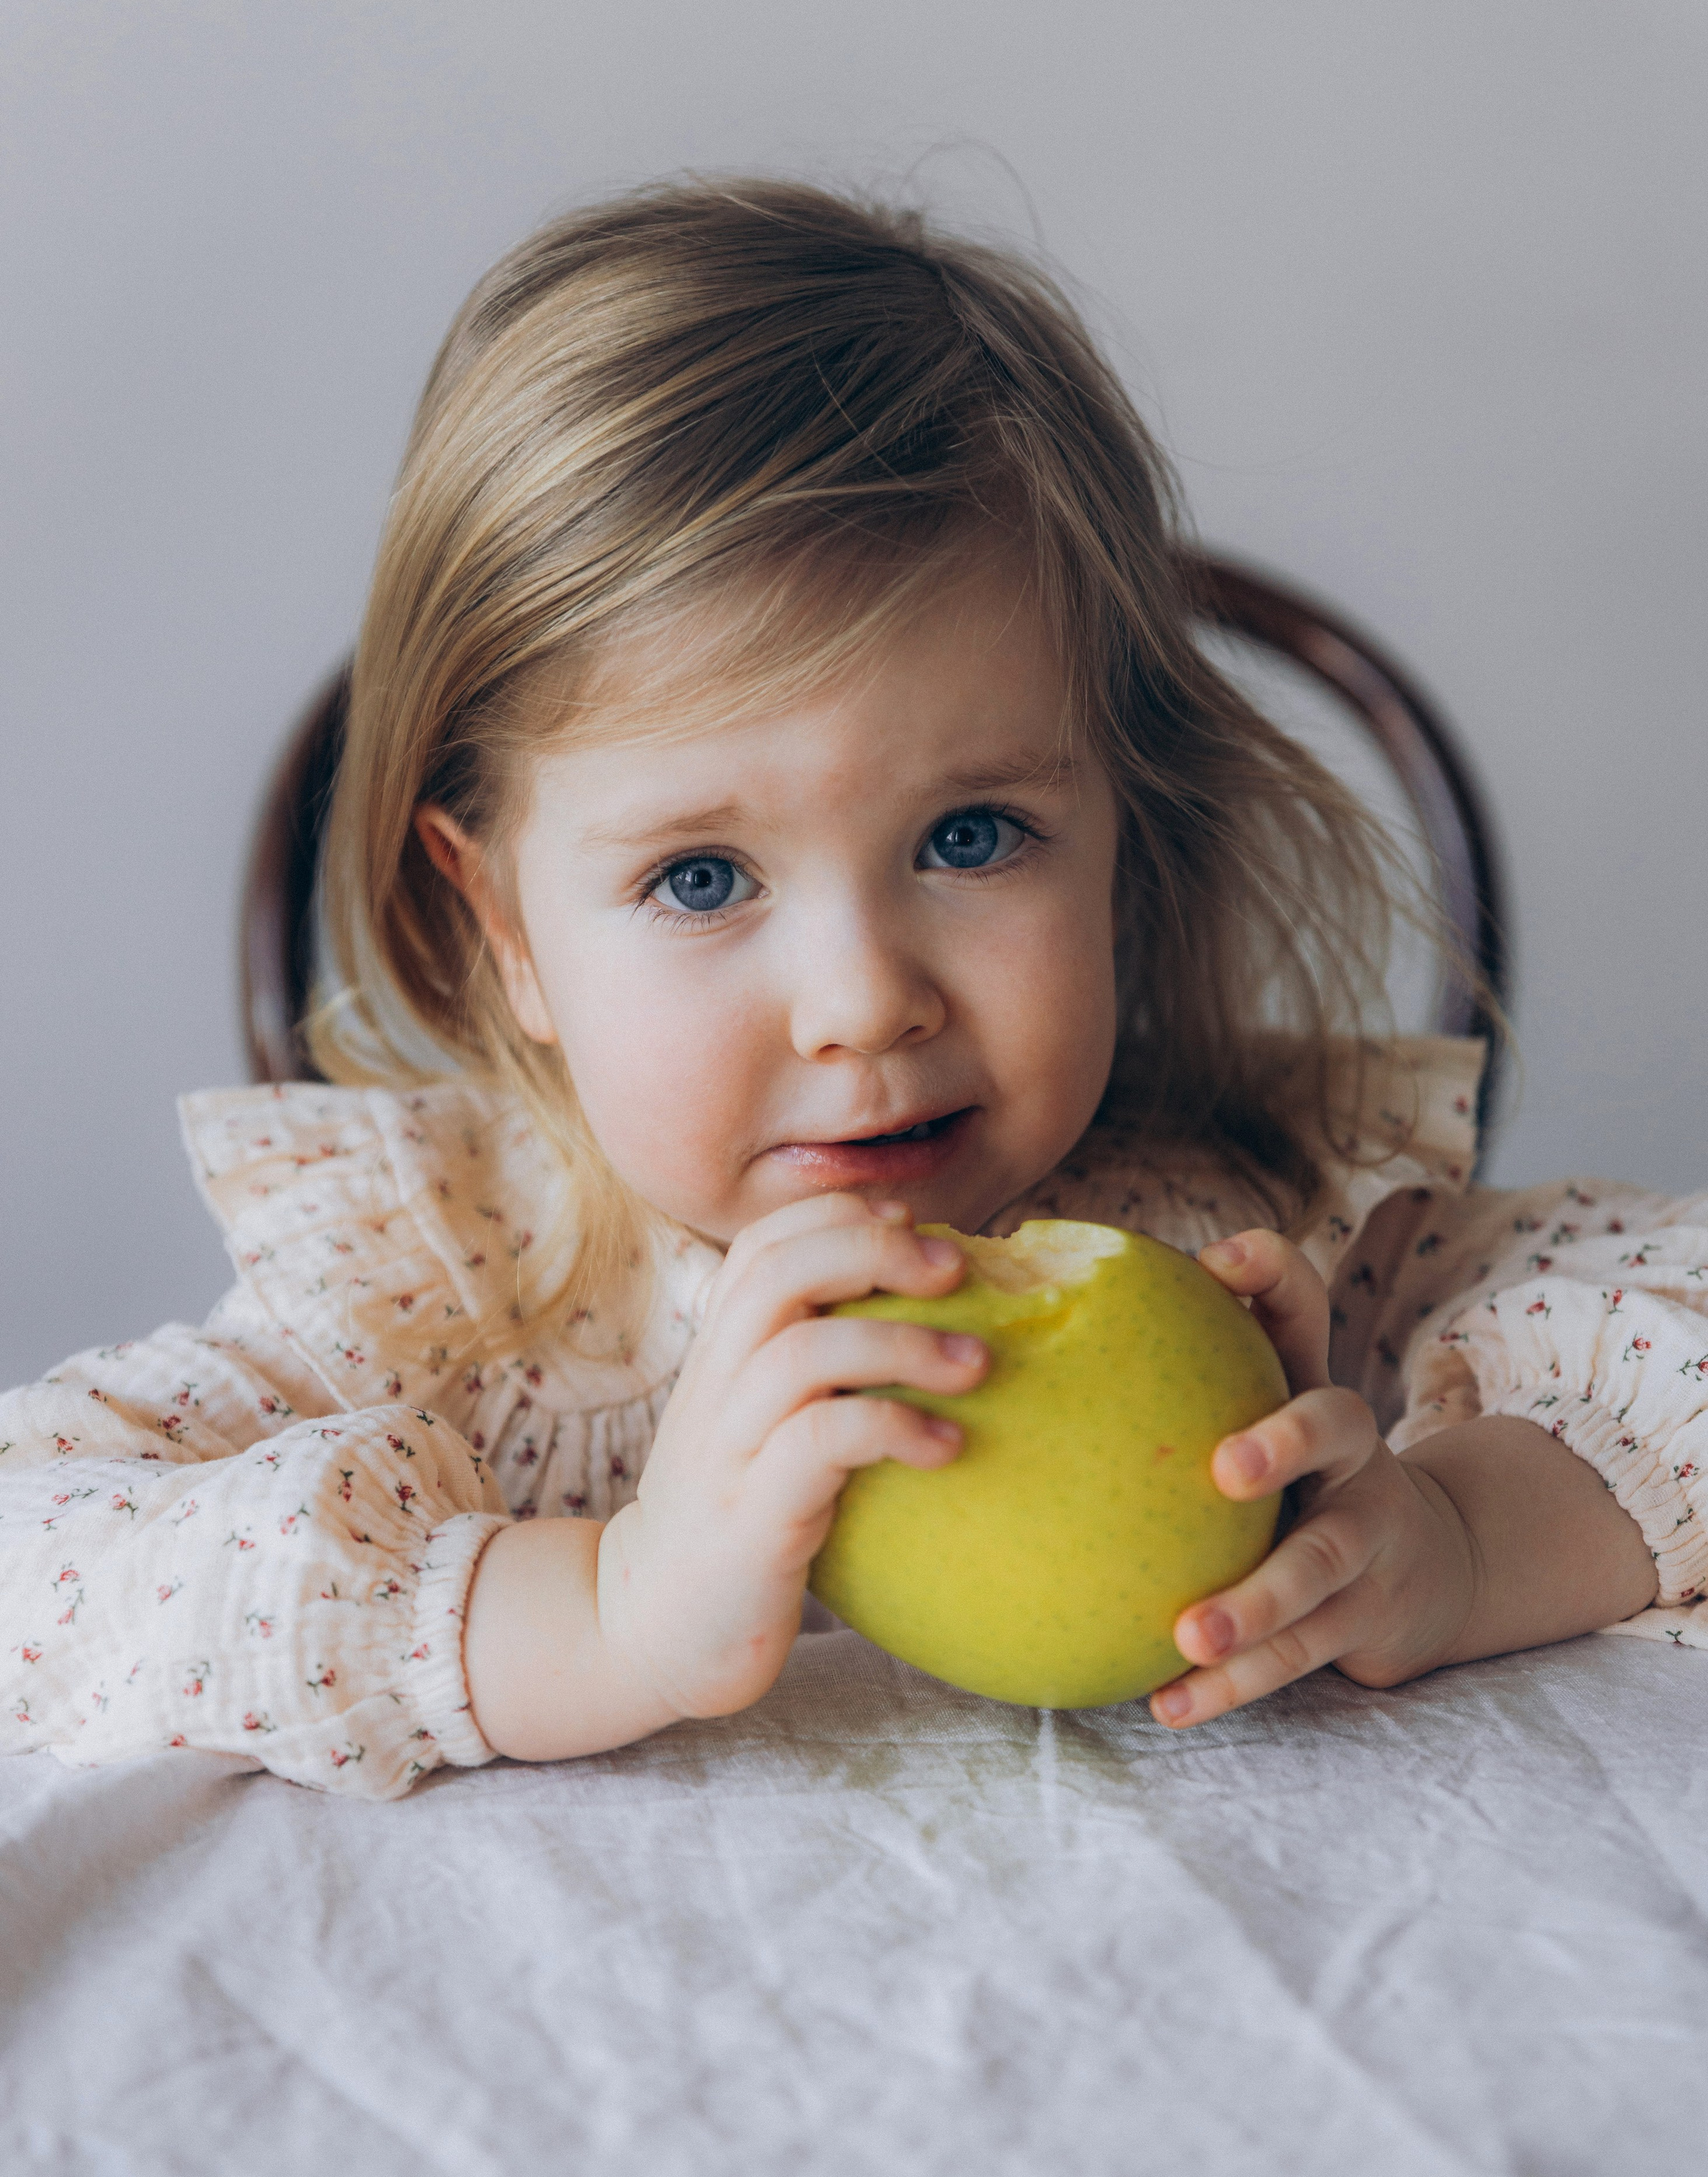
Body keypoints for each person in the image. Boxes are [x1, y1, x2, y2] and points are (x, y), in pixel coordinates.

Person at [5, 182, 1703, 1801]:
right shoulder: (450, 1300)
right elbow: (39, 1554)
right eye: (700, 877)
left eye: (970, 836)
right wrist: (599, 1609)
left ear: (1118, 835)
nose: (862, 1004)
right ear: (508, 931)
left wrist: (1464, 1535)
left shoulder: (1267, 1237)